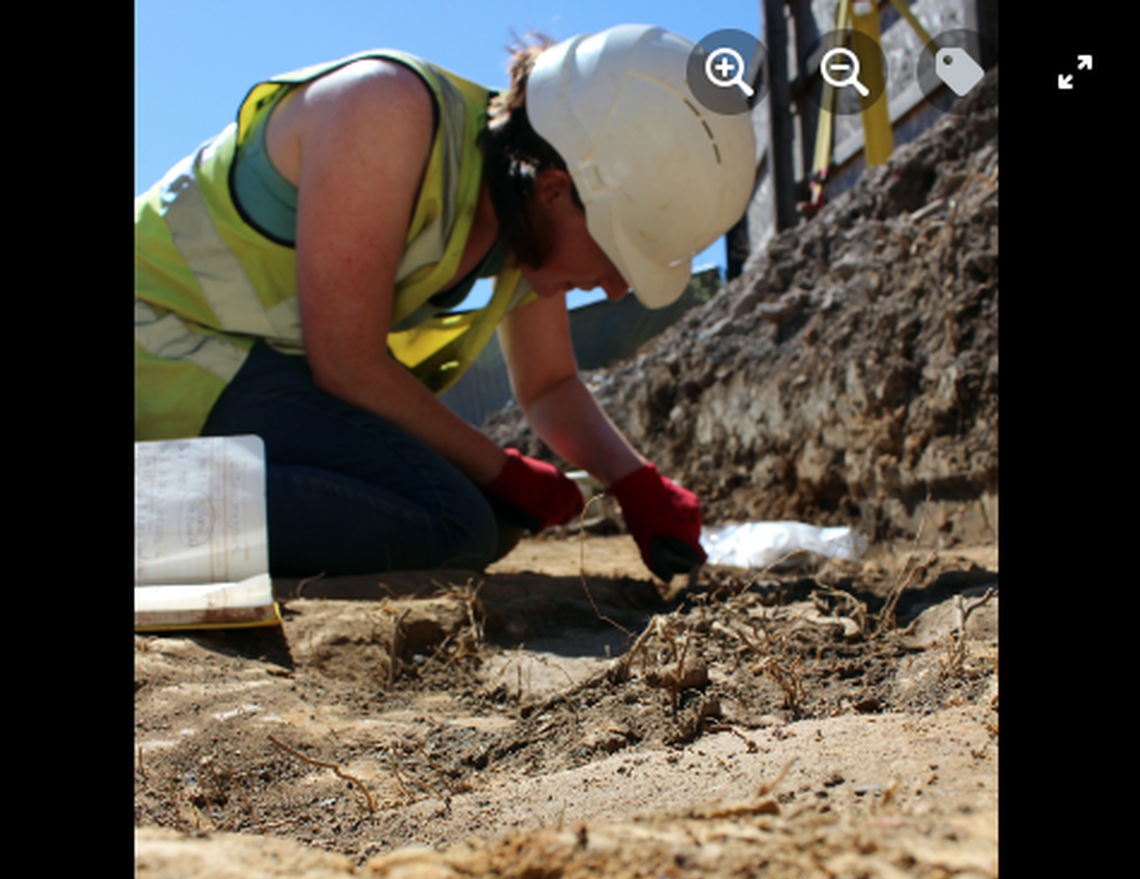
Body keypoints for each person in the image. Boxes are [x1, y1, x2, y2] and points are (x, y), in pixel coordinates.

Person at [135, 24, 756, 580]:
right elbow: (345, 363)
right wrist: (505, 469)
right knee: (451, 520)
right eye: (619, 254)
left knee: (487, 518)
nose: (618, 288)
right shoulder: (383, 109)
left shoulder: (525, 228)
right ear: (555, 189)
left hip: (252, 369)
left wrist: (636, 483)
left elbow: (547, 386)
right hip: (165, 342)